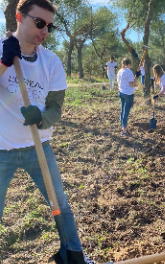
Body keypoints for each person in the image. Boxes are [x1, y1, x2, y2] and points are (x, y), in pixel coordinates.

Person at [0, 1, 96, 263]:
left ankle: (73, 254)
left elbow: (55, 108)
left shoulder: (51, 62)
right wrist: (4, 62)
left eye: (49, 26)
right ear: (19, 17)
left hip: (38, 147)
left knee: (60, 205)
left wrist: (41, 119)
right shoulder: (0, 50)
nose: (45, 31)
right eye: (39, 23)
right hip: (1, 150)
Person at [117, 58, 140, 137]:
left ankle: (122, 127)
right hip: (128, 94)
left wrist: (134, 76)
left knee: (122, 111)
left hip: (121, 92)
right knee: (125, 112)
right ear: (129, 64)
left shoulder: (120, 71)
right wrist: (136, 77)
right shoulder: (129, 71)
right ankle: (124, 131)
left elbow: (125, 81)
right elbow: (132, 84)